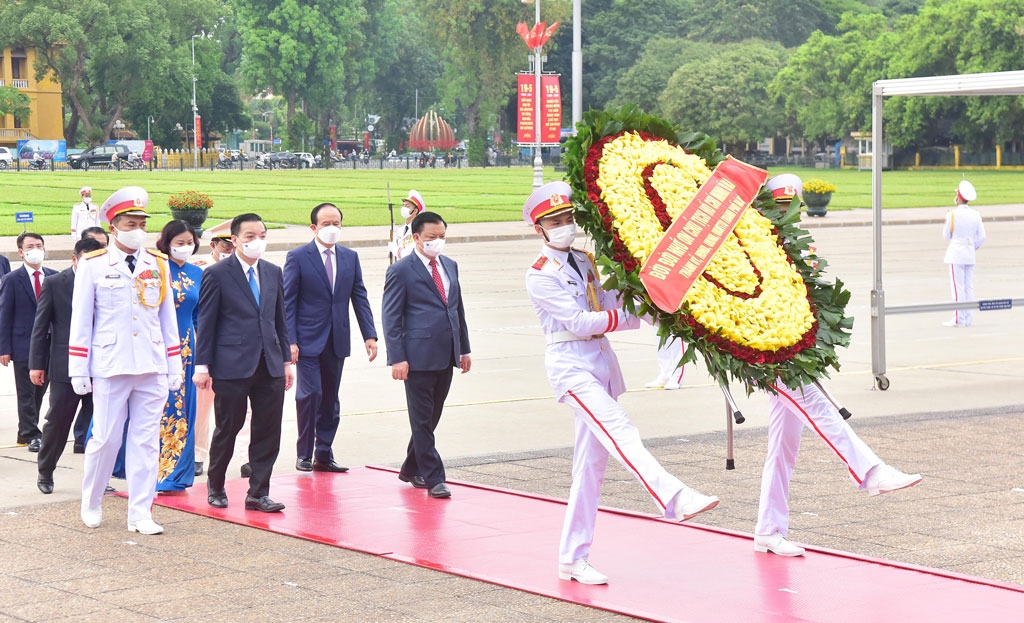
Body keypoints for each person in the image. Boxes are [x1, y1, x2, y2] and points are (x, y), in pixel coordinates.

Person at [523, 182, 719, 586]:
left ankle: (571, 559)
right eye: (554, 222)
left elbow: (608, 303)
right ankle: (672, 497)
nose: (564, 227)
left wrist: (656, 308)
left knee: (590, 468)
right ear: (539, 229)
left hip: (599, 363)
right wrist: (632, 319)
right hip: (570, 365)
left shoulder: (585, 260)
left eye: (567, 219)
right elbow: (579, 322)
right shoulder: (540, 275)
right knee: (620, 429)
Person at [753, 175, 922, 558]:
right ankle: (870, 471)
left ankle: (768, 529)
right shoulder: (757, 245)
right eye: (780, 207)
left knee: (782, 449)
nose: (787, 213)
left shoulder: (799, 245)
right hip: (770, 355)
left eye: (792, 206)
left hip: (795, 349)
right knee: (819, 408)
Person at [70, 186, 182, 535]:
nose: (137, 229)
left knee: (146, 441)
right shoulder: (94, 265)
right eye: (130, 223)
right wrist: (78, 367)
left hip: (150, 363)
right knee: (105, 438)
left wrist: (174, 364)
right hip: (111, 363)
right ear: (113, 226)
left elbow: (167, 318)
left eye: (142, 223)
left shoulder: (157, 264)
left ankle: (140, 512)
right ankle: (91, 502)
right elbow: (81, 318)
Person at [193, 213, 293, 513]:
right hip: (232, 365)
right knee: (228, 427)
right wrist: (202, 366)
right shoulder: (218, 273)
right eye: (249, 236)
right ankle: (216, 485)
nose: (256, 241)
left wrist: (286, 360)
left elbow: (280, 320)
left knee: (267, 430)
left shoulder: (273, 272)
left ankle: (258, 492)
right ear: (234, 240)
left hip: (270, 364)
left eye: (261, 235)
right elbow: (208, 322)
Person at [382, 211, 471, 499]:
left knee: (432, 416)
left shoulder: (450, 265)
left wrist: (464, 349)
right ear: (416, 237)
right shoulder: (401, 270)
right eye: (432, 238)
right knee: (421, 419)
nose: (437, 242)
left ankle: (410, 467)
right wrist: (397, 357)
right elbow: (391, 317)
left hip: (446, 353)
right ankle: (434, 477)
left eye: (442, 237)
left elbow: (456, 310)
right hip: (416, 356)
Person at [284, 203, 377, 473]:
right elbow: (288, 302)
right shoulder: (298, 257)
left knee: (330, 400)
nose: (331, 228)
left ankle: (323, 453)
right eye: (325, 224)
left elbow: (359, 296)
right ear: (313, 228)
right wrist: (290, 340)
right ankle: (304, 453)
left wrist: (369, 334)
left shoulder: (350, 257)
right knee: (310, 394)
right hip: (307, 340)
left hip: (337, 339)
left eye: (336, 223)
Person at [30, 237, 105, 493]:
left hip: (103, 364)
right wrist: (36, 364)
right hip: (66, 365)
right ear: (75, 259)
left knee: (103, 424)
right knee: (58, 421)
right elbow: (40, 328)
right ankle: (46, 470)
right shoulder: (55, 284)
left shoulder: (109, 282)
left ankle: (100, 477)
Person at [190, 220, 250, 477]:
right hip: (205, 343)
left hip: (237, 347)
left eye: (232, 244)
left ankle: (247, 457)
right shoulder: (199, 269)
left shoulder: (246, 268)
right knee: (202, 405)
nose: (229, 249)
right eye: (225, 244)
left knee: (245, 407)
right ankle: (197, 454)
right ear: (213, 245)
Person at [154, 220, 204, 491]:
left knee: (184, 407)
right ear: (167, 244)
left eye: (189, 243)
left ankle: (178, 474)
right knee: (160, 406)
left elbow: (199, 316)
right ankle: (154, 471)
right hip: (160, 346)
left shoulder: (198, 273)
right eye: (180, 243)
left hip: (188, 349)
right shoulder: (156, 269)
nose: (186, 248)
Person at [0, 233, 58, 452]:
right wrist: (4, 347)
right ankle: (32, 434)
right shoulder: (12, 280)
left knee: (38, 392)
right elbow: (4, 315)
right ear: (21, 252)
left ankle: (25, 430)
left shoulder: (53, 277)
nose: (35, 249)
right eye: (30, 246)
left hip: (49, 344)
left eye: (39, 245)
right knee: (25, 392)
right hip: (23, 344)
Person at [942, 180, 985, 327]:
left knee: (957, 287)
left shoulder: (952, 215)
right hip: (969, 254)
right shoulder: (976, 214)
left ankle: (958, 319)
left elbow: (946, 235)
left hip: (956, 254)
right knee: (968, 287)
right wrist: (972, 246)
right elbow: (982, 237)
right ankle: (968, 318)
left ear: (959, 197)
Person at [387, 190, 424, 262]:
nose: (404, 208)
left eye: (407, 206)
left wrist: (394, 248)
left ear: (415, 211)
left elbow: (408, 255)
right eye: (403, 205)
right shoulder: (401, 230)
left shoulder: (418, 231)